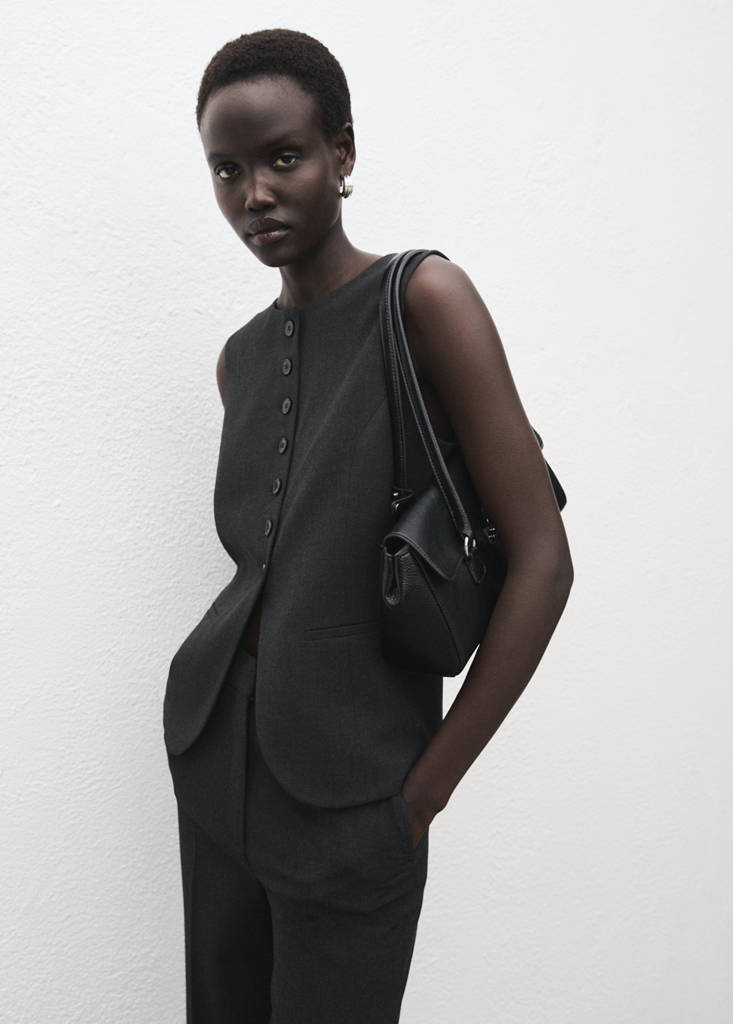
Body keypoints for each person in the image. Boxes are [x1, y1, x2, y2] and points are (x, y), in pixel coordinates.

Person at [163, 26, 574, 1024]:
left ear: (341, 154)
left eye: (283, 158)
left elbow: (543, 561)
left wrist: (422, 795)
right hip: (218, 761)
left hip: (356, 798)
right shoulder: (239, 360)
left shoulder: (422, 296)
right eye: (227, 169)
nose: (254, 193)